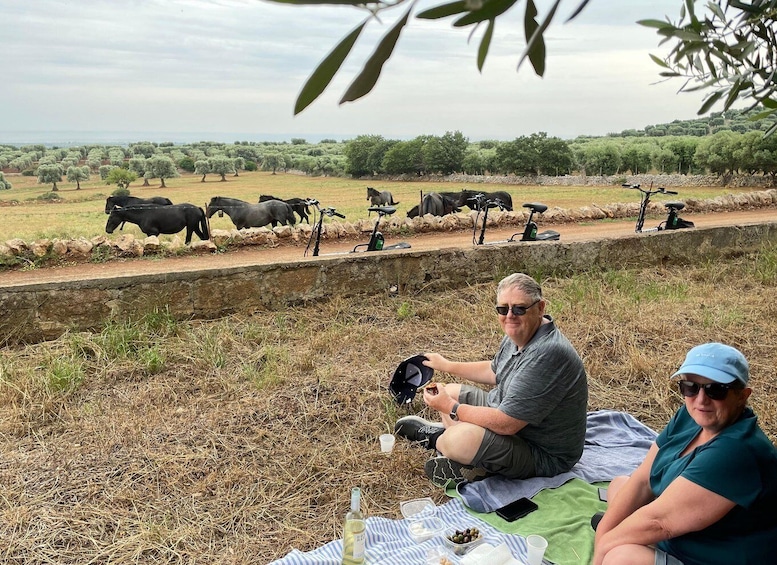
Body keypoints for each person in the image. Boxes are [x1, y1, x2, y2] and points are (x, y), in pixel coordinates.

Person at [394, 272, 588, 486]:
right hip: (514, 420)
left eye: (520, 308)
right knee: (449, 391)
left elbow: (507, 424)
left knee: (458, 436)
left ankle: (440, 441)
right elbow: (495, 371)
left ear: (540, 308)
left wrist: (451, 408)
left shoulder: (549, 353)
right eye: (503, 309)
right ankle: (468, 455)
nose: (510, 315)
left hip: (541, 452)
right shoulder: (520, 333)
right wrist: (447, 365)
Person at [593, 342, 777, 565]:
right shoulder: (690, 417)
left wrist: (603, 549)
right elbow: (643, 480)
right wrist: (605, 535)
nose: (701, 400)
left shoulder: (737, 451)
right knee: (620, 484)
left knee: (620, 557)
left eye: (716, 389)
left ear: (742, 396)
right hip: (684, 532)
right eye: (690, 387)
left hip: (709, 556)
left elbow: (659, 522)